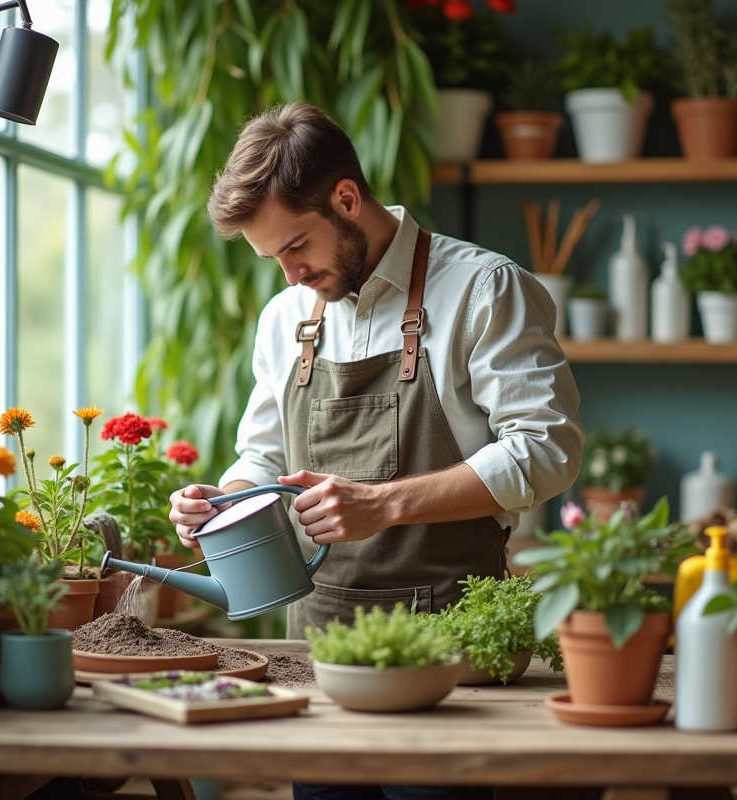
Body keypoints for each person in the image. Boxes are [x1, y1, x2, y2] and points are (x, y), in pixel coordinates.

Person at [169, 102, 583, 799]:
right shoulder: (286, 318)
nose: (289, 275)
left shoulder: (483, 288)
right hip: (318, 656)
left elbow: (547, 449)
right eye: (272, 259)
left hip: (451, 662)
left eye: (296, 247)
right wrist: (223, 500)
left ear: (346, 198)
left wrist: (385, 503)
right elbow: (263, 457)